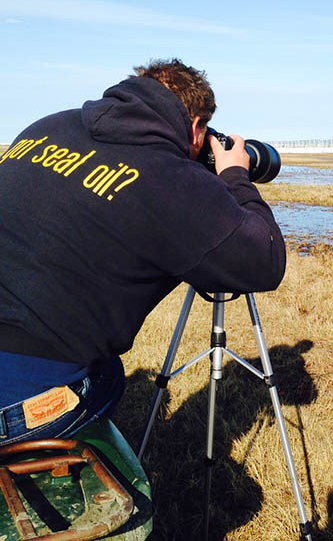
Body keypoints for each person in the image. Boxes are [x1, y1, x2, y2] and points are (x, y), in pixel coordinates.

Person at [0, 58, 286, 444]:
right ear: (198, 127)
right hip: (22, 400)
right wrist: (235, 173)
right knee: (108, 377)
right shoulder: (170, 179)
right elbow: (265, 259)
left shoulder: (47, 127)